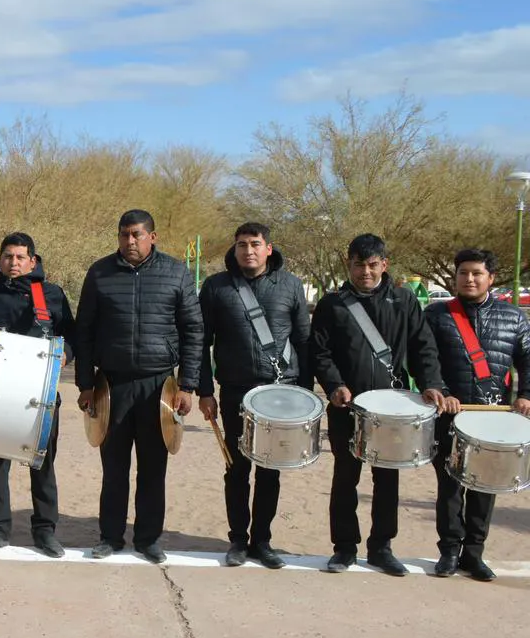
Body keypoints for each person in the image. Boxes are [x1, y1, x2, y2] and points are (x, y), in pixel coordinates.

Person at [310, 233, 445, 575]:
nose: (365, 272)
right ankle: (343, 548)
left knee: (387, 480)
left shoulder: (403, 300)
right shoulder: (332, 304)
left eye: (372, 266)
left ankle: (381, 547)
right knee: (345, 478)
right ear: (348, 264)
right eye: (358, 265)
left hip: (391, 409)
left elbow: (422, 347)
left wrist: (431, 384)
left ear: (384, 265)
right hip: (347, 407)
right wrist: (334, 385)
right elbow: (320, 352)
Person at [75, 210, 203, 565]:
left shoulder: (175, 272)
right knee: (113, 467)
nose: (129, 242)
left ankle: (148, 539)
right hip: (111, 385)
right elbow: (83, 331)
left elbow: (194, 332)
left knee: (152, 467)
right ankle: (110, 536)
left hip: (158, 385)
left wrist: (187, 385)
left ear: (153, 237)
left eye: (136, 235)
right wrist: (86, 384)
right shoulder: (100, 273)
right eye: (123, 235)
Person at [197, 222, 310, 569]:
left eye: (255, 244)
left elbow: (305, 341)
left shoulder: (290, 285)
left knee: (270, 470)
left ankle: (262, 540)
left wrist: (305, 395)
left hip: (280, 392)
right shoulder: (216, 286)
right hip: (234, 390)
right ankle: (238, 540)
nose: (248, 250)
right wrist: (204, 390)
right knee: (236, 468)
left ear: (269, 248)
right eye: (242, 244)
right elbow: (201, 342)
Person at [0, 232, 75, 558]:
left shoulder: (51, 295)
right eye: (8, 256)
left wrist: (66, 353)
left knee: (42, 464)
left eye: (20, 257)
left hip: (42, 396)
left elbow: (72, 335)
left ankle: (45, 531)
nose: (13, 262)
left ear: (32, 261)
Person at [425, 248, 530, 581]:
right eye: (463, 273)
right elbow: (425, 359)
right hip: (450, 415)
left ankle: (474, 555)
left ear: (490, 278)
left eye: (476, 273)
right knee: (450, 488)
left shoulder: (514, 317)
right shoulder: (436, 315)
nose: (469, 279)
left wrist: (527, 395)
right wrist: (440, 390)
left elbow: (528, 359)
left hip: (493, 415)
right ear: (455, 276)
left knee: (485, 488)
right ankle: (448, 553)